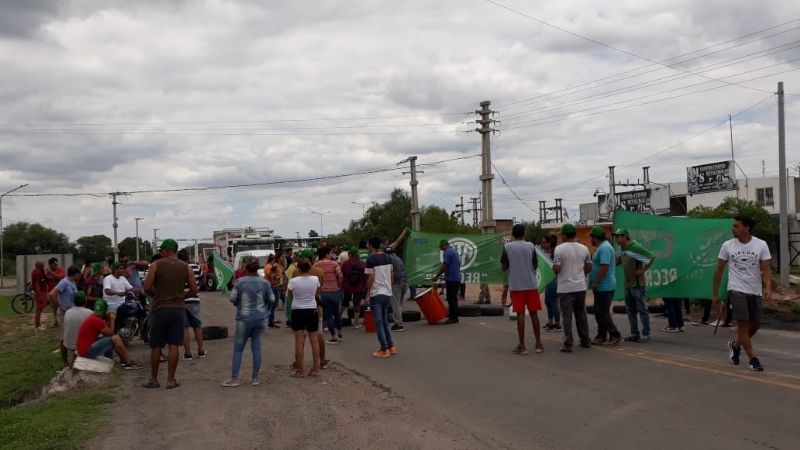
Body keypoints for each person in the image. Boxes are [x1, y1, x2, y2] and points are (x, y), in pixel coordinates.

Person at [712, 215, 771, 372]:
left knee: (756, 324)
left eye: (736, 226)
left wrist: (768, 287)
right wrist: (715, 294)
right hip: (736, 289)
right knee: (743, 326)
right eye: (733, 226)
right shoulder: (727, 245)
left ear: (747, 228)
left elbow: (766, 268)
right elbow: (718, 270)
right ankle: (753, 359)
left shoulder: (761, 245)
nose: (733, 228)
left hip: (755, 289)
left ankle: (736, 345)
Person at [142, 239, 197, 389]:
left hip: (160, 309)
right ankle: (171, 380)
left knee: (156, 345)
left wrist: (158, 294)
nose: (160, 253)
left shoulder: (155, 265)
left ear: (166, 250)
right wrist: (180, 297)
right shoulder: (186, 267)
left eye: (161, 250)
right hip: (178, 309)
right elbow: (194, 289)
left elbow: (146, 287)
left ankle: (153, 379)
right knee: (174, 344)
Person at [221, 259, 273, 387]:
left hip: (244, 319)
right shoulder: (265, 283)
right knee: (256, 348)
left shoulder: (239, 282)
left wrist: (237, 303)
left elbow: (232, 298)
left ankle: (234, 379)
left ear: (245, 269)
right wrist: (265, 307)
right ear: (257, 269)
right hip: (261, 318)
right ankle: (255, 378)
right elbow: (272, 298)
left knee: (238, 349)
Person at [501, 224, 543, 355]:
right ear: (524, 233)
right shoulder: (531, 246)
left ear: (513, 235)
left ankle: (522, 346)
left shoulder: (507, 247)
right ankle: (538, 344)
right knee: (534, 314)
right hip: (531, 284)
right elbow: (535, 265)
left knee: (520, 314)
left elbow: (503, 266)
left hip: (516, 285)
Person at [553, 224, 592, 353]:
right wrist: (581, 275)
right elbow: (589, 267)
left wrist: (553, 268)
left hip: (565, 288)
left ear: (564, 235)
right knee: (581, 314)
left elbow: (557, 269)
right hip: (580, 286)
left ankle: (568, 343)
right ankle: (585, 340)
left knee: (567, 316)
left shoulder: (559, 249)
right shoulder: (584, 248)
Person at [613, 228, 655, 343]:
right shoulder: (623, 249)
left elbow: (651, 257)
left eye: (619, 236)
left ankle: (646, 334)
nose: (617, 239)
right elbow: (619, 261)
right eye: (616, 236)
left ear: (625, 236)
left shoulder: (634, 247)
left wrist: (643, 270)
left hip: (637, 284)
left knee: (642, 309)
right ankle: (634, 333)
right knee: (630, 310)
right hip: (628, 284)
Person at [75, 299, 142, 369]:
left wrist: (107, 320)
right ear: (105, 311)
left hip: (83, 350)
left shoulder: (92, 317)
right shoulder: (97, 320)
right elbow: (111, 334)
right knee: (115, 338)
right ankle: (128, 362)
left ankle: (118, 360)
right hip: (86, 352)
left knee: (108, 339)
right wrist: (112, 319)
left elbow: (106, 333)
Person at [588, 227, 622, 345]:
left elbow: (604, 267)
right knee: (598, 311)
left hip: (604, 285)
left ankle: (615, 334)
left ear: (596, 238)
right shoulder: (601, 247)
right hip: (601, 286)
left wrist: (597, 281)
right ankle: (601, 335)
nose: (590, 240)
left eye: (591, 237)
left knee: (602, 312)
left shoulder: (605, 248)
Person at [288, 260, 322, 377]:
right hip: (312, 309)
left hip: (297, 310)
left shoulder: (293, 281)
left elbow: (290, 295)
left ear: (298, 269)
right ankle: (316, 369)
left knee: (299, 341)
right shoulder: (315, 279)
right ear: (309, 268)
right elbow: (317, 292)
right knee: (314, 340)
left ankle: (300, 370)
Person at [365, 237, 396, 357]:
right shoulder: (389, 257)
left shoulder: (370, 259)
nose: (367, 246)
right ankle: (391, 346)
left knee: (378, 322)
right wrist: (389, 287)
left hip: (376, 293)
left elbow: (370, 278)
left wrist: (367, 294)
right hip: (387, 292)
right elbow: (392, 274)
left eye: (368, 244)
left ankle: (384, 349)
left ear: (372, 245)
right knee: (384, 321)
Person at [50, 266, 82, 366]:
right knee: (64, 338)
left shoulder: (72, 282)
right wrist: (60, 307)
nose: (80, 276)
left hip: (71, 314)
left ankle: (75, 360)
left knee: (73, 336)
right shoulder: (64, 282)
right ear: (75, 274)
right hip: (64, 315)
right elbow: (51, 294)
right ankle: (65, 363)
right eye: (79, 274)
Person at [178, 249, 206, 360]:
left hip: (181, 300)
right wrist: (197, 287)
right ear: (188, 257)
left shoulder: (178, 268)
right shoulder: (196, 267)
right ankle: (201, 351)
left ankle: (188, 353)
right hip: (194, 299)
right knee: (197, 326)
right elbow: (203, 279)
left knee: (185, 328)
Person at [314, 247, 344, 344]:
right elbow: (340, 276)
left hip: (323, 292)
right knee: (336, 313)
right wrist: (339, 284)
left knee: (328, 315)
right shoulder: (334, 263)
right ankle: (339, 330)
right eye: (331, 253)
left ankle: (334, 336)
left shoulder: (316, 265)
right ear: (326, 254)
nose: (332, 255)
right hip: (335, 291)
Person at [431, 239, 461, 324]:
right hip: (455, 277)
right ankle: (453, 314)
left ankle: (454, 317)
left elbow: (445, 265)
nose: (440, 248)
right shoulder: (453, 251)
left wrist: (437, 276)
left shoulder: (447, 252)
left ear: (445, 245)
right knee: (453, 298)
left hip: (452, 278)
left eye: (441, 246)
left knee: (451, 298)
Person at [103, 262, 137, 331]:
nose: (123, 270)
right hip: (111, 304)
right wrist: (118, 293)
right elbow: (107, 291)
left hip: (123, 303)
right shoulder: (108, 278)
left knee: (136, 310)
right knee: (113, 318)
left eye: (123, 268)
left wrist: (142, 290)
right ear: (115, 270)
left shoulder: (123, 278)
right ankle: (112, 334)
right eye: (121, 269)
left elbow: (131, 288)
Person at [63, 292, 93, 365]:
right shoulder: (90, 313)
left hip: (69, 345)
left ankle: (69, 361)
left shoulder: (68, 312)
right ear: (85, 300)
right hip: (81, 346)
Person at [341, 247, 367, 329]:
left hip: (347, 287)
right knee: (357, 304)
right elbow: (366, 275)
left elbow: (342, 274)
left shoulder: (345, 263)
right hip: (359, 287)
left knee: (345, 302)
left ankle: (338, 317)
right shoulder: (361, 263)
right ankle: (356, 323)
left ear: (350, 255)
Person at [540, 233, 561, 332]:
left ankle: (557, 324)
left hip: (553, 280)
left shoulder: (554, 252)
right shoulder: (546, 252)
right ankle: (550, 322)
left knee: (553, 302)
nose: (542, 244)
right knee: (548, 302)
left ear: (549, 243)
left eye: (544, 242)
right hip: (548, 281)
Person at [385, 246, 408, 332]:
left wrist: (389, 284)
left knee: (395, 305)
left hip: (396, 283)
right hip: (405, 282)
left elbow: (392, 273)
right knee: (399, 305)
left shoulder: (388, 259)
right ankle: (398, 322)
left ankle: (398, 324)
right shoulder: (397, 258)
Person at [45, 257, 66, 327]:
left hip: (61, 292)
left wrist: (51, 272)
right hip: (52, 293)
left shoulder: (60, 270)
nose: (52, 266)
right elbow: (46, 281)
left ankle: (64, 321)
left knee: (62, 307)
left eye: (54, 264)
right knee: (55, 308)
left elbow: (61, 277)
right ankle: (56, 321)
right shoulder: (48, 272)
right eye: (50, 265)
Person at [31, 260, 50, 331]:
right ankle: (37, 326)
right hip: (40, 293)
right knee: (39, 309)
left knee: (40, 309)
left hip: (43, 292)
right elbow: (37, 284)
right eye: (43, 263)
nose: (44, 264)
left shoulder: (40, 271)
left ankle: (38, 324)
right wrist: (38, 295)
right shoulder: (37, 272)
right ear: (39, 265)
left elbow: (45, 280)